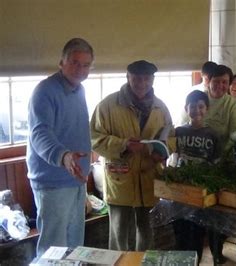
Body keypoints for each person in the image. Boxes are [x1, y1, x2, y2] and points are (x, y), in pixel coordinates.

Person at [90, 60, 174, 251]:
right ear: (128, 77)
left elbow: (171, 138)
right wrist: (124, 144)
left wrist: (160, 153)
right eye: (136, 78)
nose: (142, 83)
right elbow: (95, 139)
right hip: (120, 177)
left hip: (149, 176)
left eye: (146, 79)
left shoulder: (161, 108)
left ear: (152, 80)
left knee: (147, 231)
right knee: (119, 234)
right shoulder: (107, 106)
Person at [27, 38, 94, 257]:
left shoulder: (80, 90)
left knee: (75, 245)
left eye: (85, 65)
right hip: (53, 181)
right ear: (61, 63)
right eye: (74, 62)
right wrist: (64, 156)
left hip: (76, 178)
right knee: (53, 249)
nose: (80, 69)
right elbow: (39, 133)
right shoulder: (44, 91)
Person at [172, 90, 219, 263]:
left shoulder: (212, 134)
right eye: (192, 107)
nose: (196, 111)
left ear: (206, 109)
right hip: (181, 189)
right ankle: (180, 261)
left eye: (200, 107)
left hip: (200, 190)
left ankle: (195, 261)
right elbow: (174, 156)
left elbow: (215, 162)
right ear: (186, 108)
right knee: (179, 228)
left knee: (197, 230)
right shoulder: (179, 131)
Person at [205, 64, 236, 263]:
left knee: (218, 214)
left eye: (225, 82)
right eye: (216, 81)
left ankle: (216, 251)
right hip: (197, 164)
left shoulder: (231, 104)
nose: (220, 85)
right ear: (208, 81)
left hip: (221, 164)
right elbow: (183, 124)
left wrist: (222, 152)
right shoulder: (199, 98)